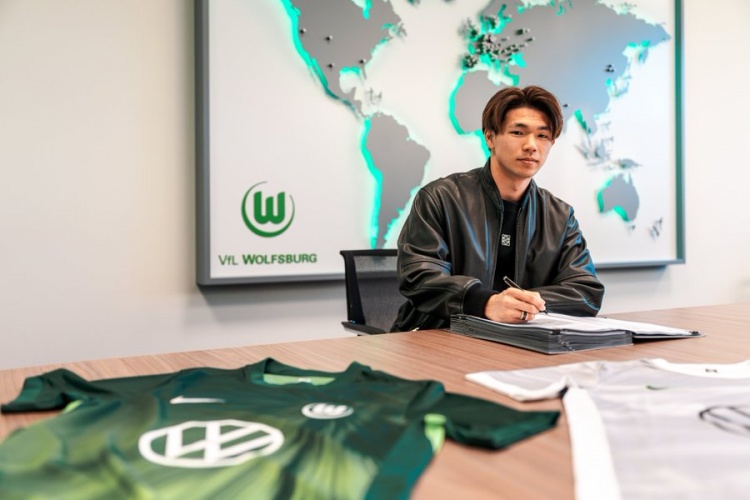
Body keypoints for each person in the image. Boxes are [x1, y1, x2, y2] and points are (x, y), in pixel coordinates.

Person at [392, 85, 604, 332]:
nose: (531, 145)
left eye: (542, 136)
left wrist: (522, 305)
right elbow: (419, 277)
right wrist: (486, 303)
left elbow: (586, 291)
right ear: (490, 137)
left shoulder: (559, 216)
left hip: (520, 340)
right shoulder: (440, 198)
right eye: (518, 132)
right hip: (439, 336)